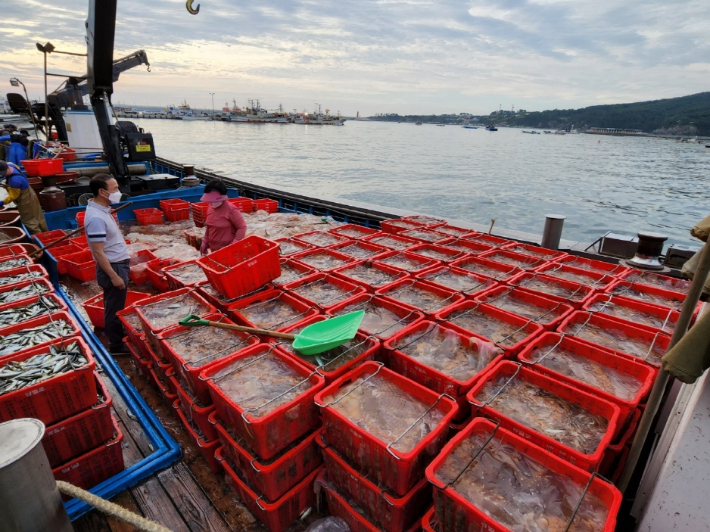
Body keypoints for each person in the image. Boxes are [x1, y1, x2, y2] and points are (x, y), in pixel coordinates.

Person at [85, 173, 130, 355]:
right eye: (115, 189)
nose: (118, 192)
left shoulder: (103, 211)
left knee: (115, 305)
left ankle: (118, 336)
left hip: (119, 263)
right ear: (103, 192)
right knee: (114, 308)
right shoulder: (96, 218)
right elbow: (98, 252)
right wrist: (114, 275)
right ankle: (117, 346)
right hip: (114, 267)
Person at [200, 179, 247, 255]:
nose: (212, 203)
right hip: (214, 249)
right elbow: (210, 226)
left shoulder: (231, 209)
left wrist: (234, 244)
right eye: (210, 201)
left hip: (229, 251)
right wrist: (205, 241)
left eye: (215, 200)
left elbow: (242, 227)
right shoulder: (210, 207)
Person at [0, 160, 48, 233]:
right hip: (30, 193)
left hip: (26, 199)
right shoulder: (11, 165)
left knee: (29, 220)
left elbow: (14, 196)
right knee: (37, 215)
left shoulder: (14, 180)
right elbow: (17, 166)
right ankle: (45, 232)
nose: (2, 175)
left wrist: (2, 202)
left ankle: (38, 235)